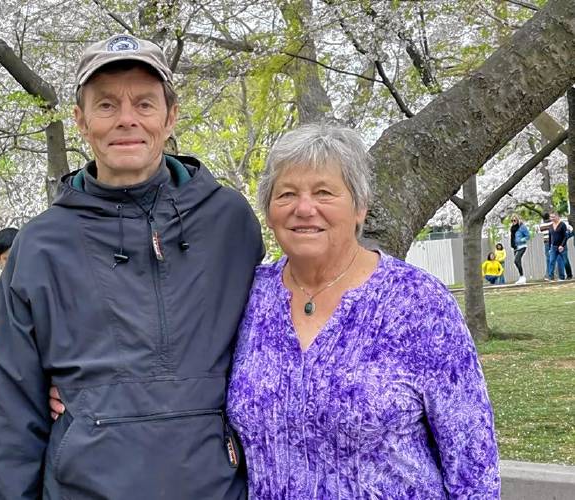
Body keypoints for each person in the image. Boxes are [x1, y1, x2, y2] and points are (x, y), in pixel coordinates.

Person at [0, 34, 264, 499]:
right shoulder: (41, 246)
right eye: (107, 105)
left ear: (170, 117)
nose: (127, 119)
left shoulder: (229, 223)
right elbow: (12, 407)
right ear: (81, 120)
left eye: (145, 104)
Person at [226, 124, 500, 498]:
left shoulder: (418, 303)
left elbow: (472, 460)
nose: (304, 208)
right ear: (270, 211)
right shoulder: (245, 297)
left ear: (360, 207)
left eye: (324, 192)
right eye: (287, 194)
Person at [547, 211, 569, 281]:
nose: (552, 218)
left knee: (565, 261)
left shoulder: (562, 225)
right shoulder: (550, 226)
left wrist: (562, 245)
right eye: (551, 217)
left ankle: (568, 275)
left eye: (553, 217)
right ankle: (551, 277)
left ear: (557, 216)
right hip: (553, 247)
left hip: (562, 247)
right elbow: (550, 237)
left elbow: (565, 236)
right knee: (551, 261)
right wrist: (550, 247)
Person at [509, 214, 530, 284]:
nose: (513, 222)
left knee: (516, 260)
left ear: (517, 220)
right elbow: (512, 238)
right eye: (512, 220)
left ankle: (522, 276)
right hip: (516, 247)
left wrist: (521, 239)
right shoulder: (512, 228)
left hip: (522, 246)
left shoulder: (522, 227)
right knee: (517, 262)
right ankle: (522, 278)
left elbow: (528, 236)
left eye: (514, 220)